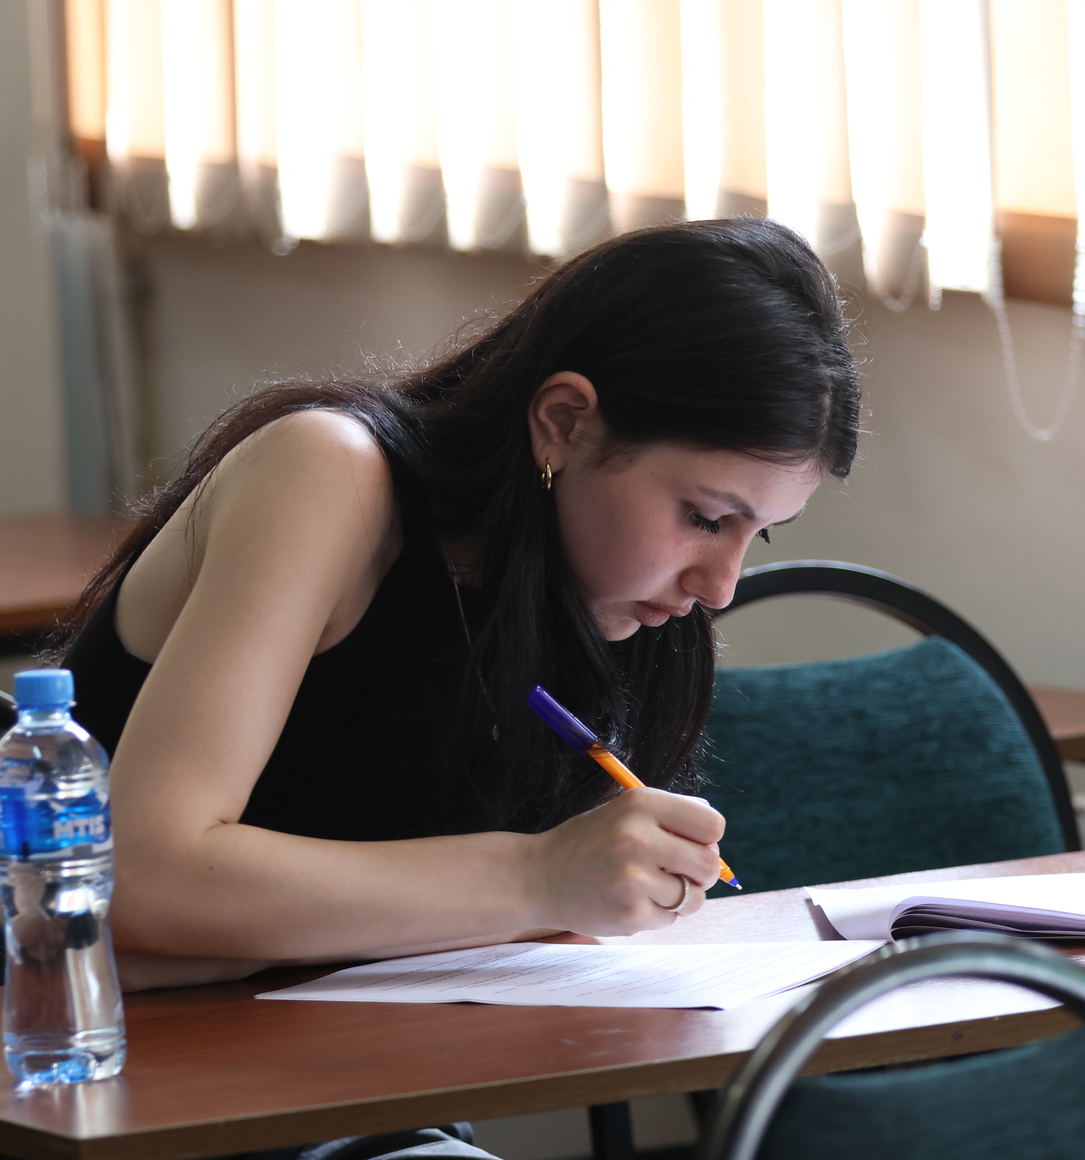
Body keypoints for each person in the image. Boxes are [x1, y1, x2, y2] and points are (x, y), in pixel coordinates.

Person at [53, 218, 861, 999]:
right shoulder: (329, 476)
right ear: (564, 423)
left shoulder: (608, 596)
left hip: (352, 1054)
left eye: (759, 534)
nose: (720, 589)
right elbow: (139, 882)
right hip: (76, 1046)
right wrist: (538, 877)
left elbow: (479, 935)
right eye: (704, 518)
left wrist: (255, 931)